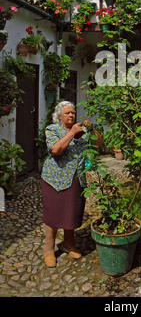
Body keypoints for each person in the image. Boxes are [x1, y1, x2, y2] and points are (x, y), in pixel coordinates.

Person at [41, 101, 102, 267]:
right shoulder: (52, 129)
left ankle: (68, 243)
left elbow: (98, 143)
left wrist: (91, 130)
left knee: (71, 213)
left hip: (76, 178)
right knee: (53, 215)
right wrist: (72, 133)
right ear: (59, 116)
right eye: (67, 113)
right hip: (54, 178)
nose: (71, 115)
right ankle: (49, 250)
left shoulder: (81, 132)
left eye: (73, 113)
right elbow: (55, 150)